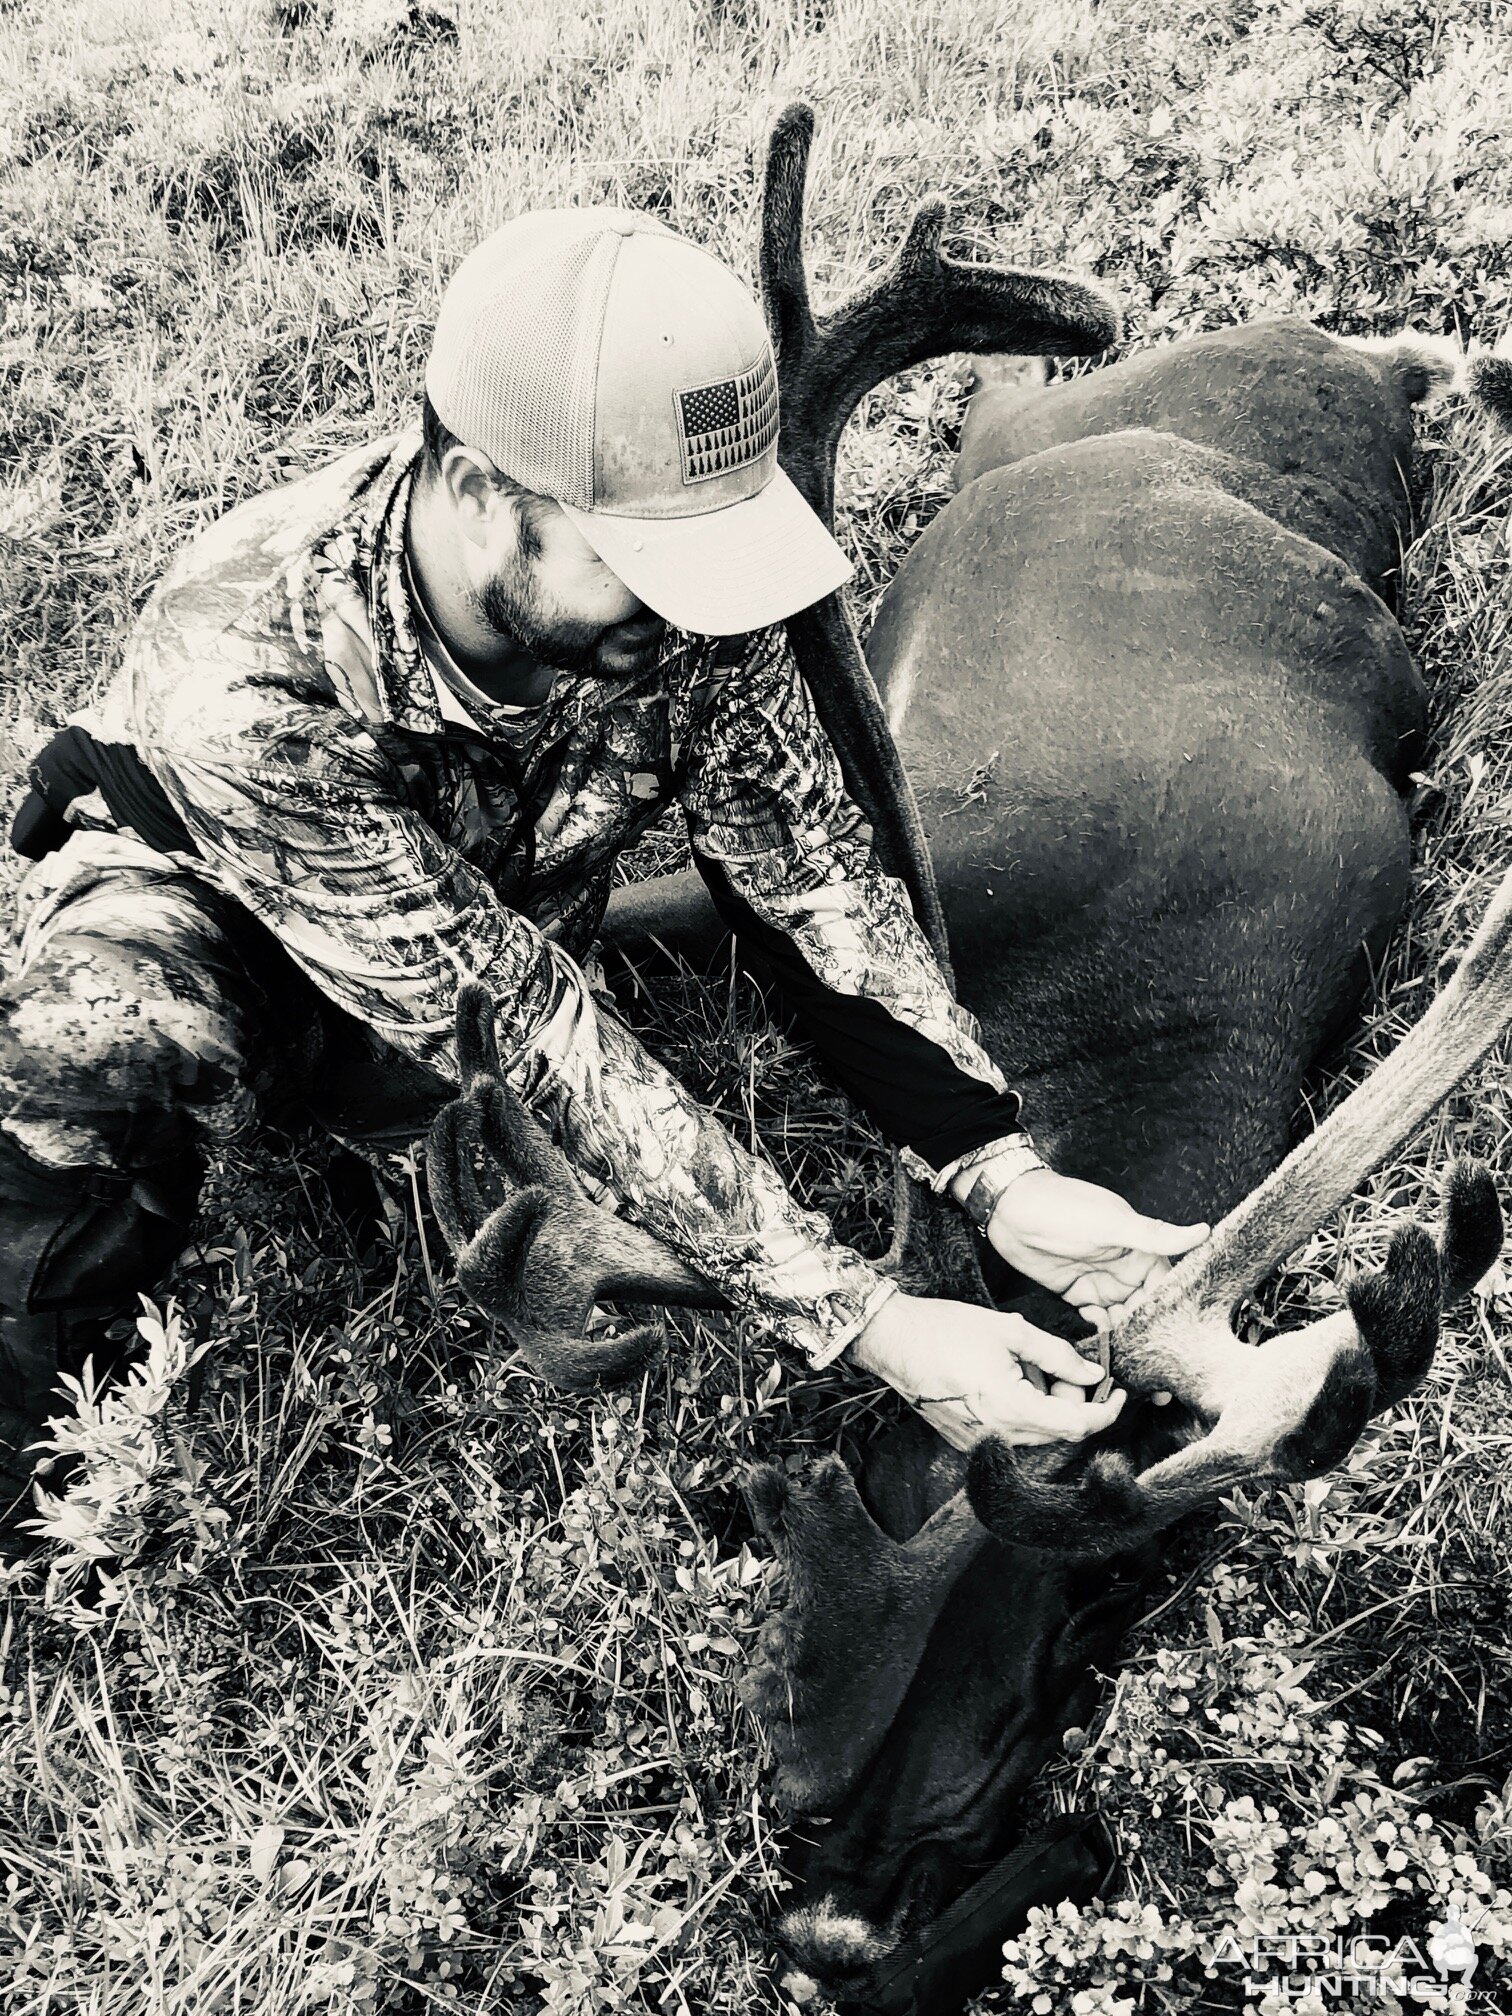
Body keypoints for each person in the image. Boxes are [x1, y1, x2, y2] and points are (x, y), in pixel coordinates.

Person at [0, 207, 1207, 1531]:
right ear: (477, 502)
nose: (690, 609)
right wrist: (869, 1322)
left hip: (483, 944)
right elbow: (529, 1028)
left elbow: (812, 877)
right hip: (224, 917)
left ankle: (395, 1129)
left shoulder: (687, 597)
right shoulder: (246, 677)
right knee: (90, 1050)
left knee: (537, 1268)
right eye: (641, 563)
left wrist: (995, 1170)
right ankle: (42, 1455)